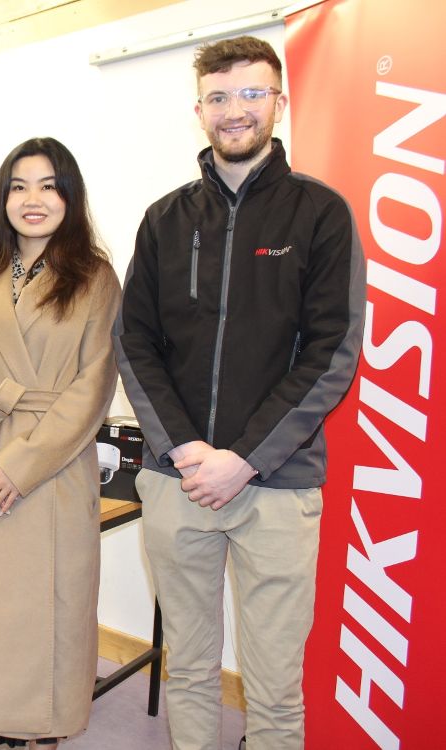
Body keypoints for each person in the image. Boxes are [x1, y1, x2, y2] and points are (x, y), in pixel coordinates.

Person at [113, 36, 366, 750]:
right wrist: (187, 449)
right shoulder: (164, 220)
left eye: (251, 94)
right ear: (198, 110)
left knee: (273, 686)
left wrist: (244, 458)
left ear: (279, 102)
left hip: (278, 487)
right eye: (219, 97)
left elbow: (331, 354)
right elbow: (134, 343)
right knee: (188, 669)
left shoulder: (320, 214)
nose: (235, 111)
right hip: (177, 480)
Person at [0, 137, 120, 749]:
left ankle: (43, 735)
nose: (33, 200)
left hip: (50, 471)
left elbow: (94, 386)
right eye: (19, 186)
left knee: (48, 618)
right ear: (2, 198)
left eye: (48, 186)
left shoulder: (95, 279)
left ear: (70, 196)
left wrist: (20, 466)